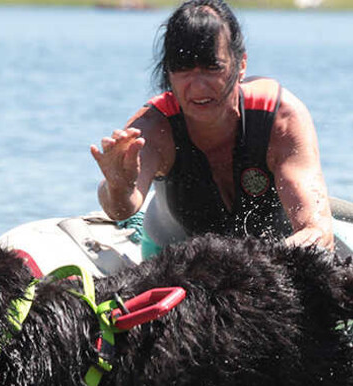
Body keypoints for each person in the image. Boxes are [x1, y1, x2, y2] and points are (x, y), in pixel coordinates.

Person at [91, 0, 334, 252]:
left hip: (274, 256)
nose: (198, 87)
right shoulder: (152, 129)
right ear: (168, 74)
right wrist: (119, 187)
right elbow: (121, 209)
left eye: (212, 68)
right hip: (171, 258)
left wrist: (254, 267)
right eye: (183, 69)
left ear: (241, 65)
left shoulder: (280, 119)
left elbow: (317, 232)